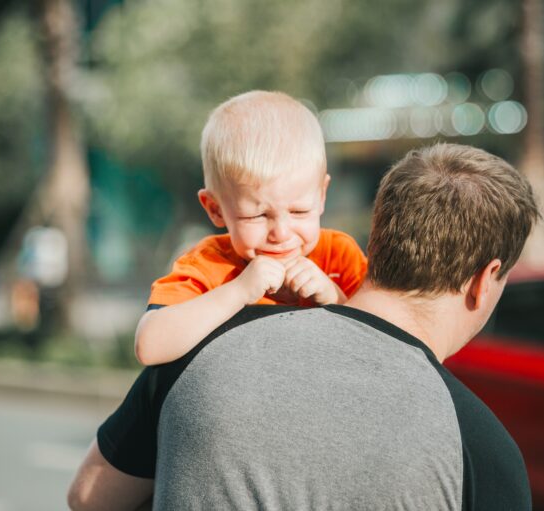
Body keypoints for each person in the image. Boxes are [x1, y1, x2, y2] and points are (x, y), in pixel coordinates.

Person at [68, 142, 539, 510]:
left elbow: (88, 498)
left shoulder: (201, 351)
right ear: (484, 281)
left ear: (379, 238)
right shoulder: (482, 450)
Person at [134, 91, 368, 366]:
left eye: (298, 211)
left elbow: (384, 346)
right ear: (215, 209)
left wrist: (335, 298)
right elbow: (150, 347)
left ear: (322, 196)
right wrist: (238, 291)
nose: (281, 233)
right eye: (257, 215)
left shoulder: (339, 256)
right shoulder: (208, 265)